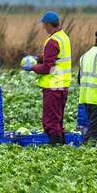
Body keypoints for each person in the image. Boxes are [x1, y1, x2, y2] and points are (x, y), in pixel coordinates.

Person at [23, 11, 72, 146]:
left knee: (50, 122)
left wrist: (32, 67)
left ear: (49, 25)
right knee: (58, 120)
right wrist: (37, 58)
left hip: (52, 86)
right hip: (63, 84)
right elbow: (55, 58)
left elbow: (47, 68)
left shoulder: (52, 41)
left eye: (44, 25)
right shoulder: (64, 37)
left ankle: (56, 149)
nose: (44, 27)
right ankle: (62, 148)